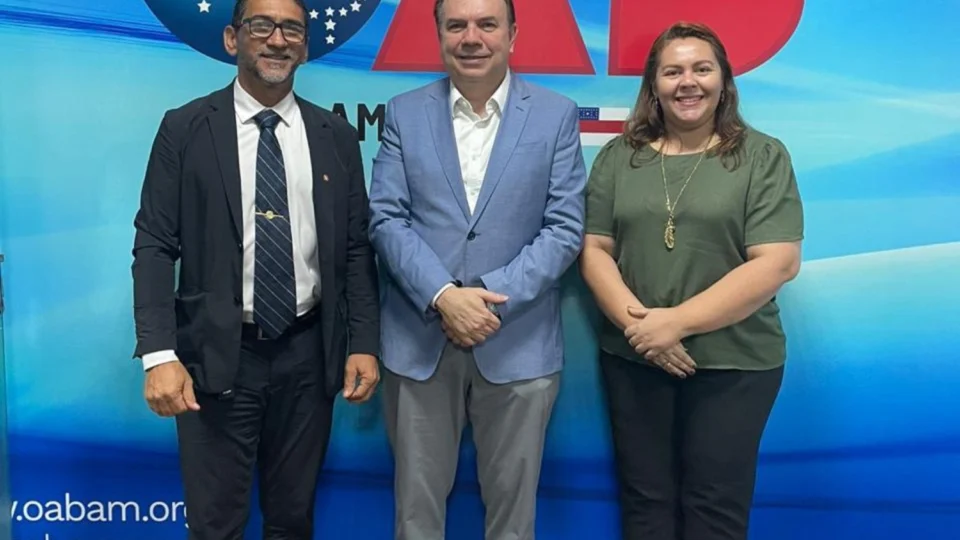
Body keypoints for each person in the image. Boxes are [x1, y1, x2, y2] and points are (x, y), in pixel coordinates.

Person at [131, 0, 381, 537]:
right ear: (231, 38)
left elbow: (356, 249)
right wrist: (158, 354)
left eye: (292, 29)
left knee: (292, 520)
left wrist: (363, 342)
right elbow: (154, 244)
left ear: (306, 46)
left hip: (309, 356)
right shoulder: (185, 128)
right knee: (216, 523)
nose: (277, 40)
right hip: (216, 357)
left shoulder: (334, 136)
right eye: (261, 25)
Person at [367, 0, 586, 537]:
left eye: (487, 24)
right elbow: (386, 218)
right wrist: (444, 295)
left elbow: (563, 228)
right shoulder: (403, 112)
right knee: (415, 515)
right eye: (457, 25)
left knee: (514, 518)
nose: (472, 38)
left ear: (512, 33)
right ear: (439, 33)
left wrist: (485, 296)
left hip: (517, 342)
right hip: (420, 343)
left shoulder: (557, 114)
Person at [579, 22, 804, 540]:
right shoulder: (620, 157)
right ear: (653, 85)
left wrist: (674, 324)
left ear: (723, 80)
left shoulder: (761, 156)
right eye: (672, 71)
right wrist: (646, 333)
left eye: (702, 69)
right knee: (645, 503)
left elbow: (777, 263)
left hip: (735, 364)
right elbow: (594, 251)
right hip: (633, 358)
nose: (688, 82)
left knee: (714, 510)